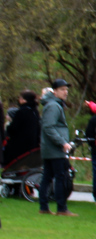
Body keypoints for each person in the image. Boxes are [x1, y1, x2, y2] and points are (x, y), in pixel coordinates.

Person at [38, 78, 77, 217]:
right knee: (60, 177)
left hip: (50, 148)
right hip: (55, 149)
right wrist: (63, 143)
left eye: (66, 89)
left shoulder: (52, 104)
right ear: (54, 91)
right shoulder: (54, 106)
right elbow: (49, 127)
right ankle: (61, 208)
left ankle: (44, 207)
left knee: (47, 177)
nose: (65, 92)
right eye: (62, 89)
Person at [3, 90, 40, 166]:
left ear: (24, 100)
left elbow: (13, 128)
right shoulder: (35, 112)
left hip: (20, 144)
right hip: (33, 143)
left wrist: (8, 130)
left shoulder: (22, 112)